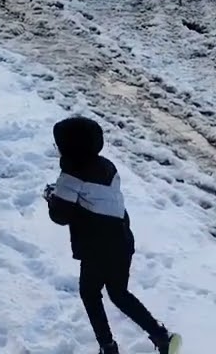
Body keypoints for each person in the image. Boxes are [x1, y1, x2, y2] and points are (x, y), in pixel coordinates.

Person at [44, 116, 181, 354]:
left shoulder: (70, 177)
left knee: (89, 292)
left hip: (97, 246)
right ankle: (161, 336)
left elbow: (60, 215)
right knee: (119, 293)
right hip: (121, 239)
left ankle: (107, 347)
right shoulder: (107, 166)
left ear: (70, 148)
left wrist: (51, 198)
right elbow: (94, 199)